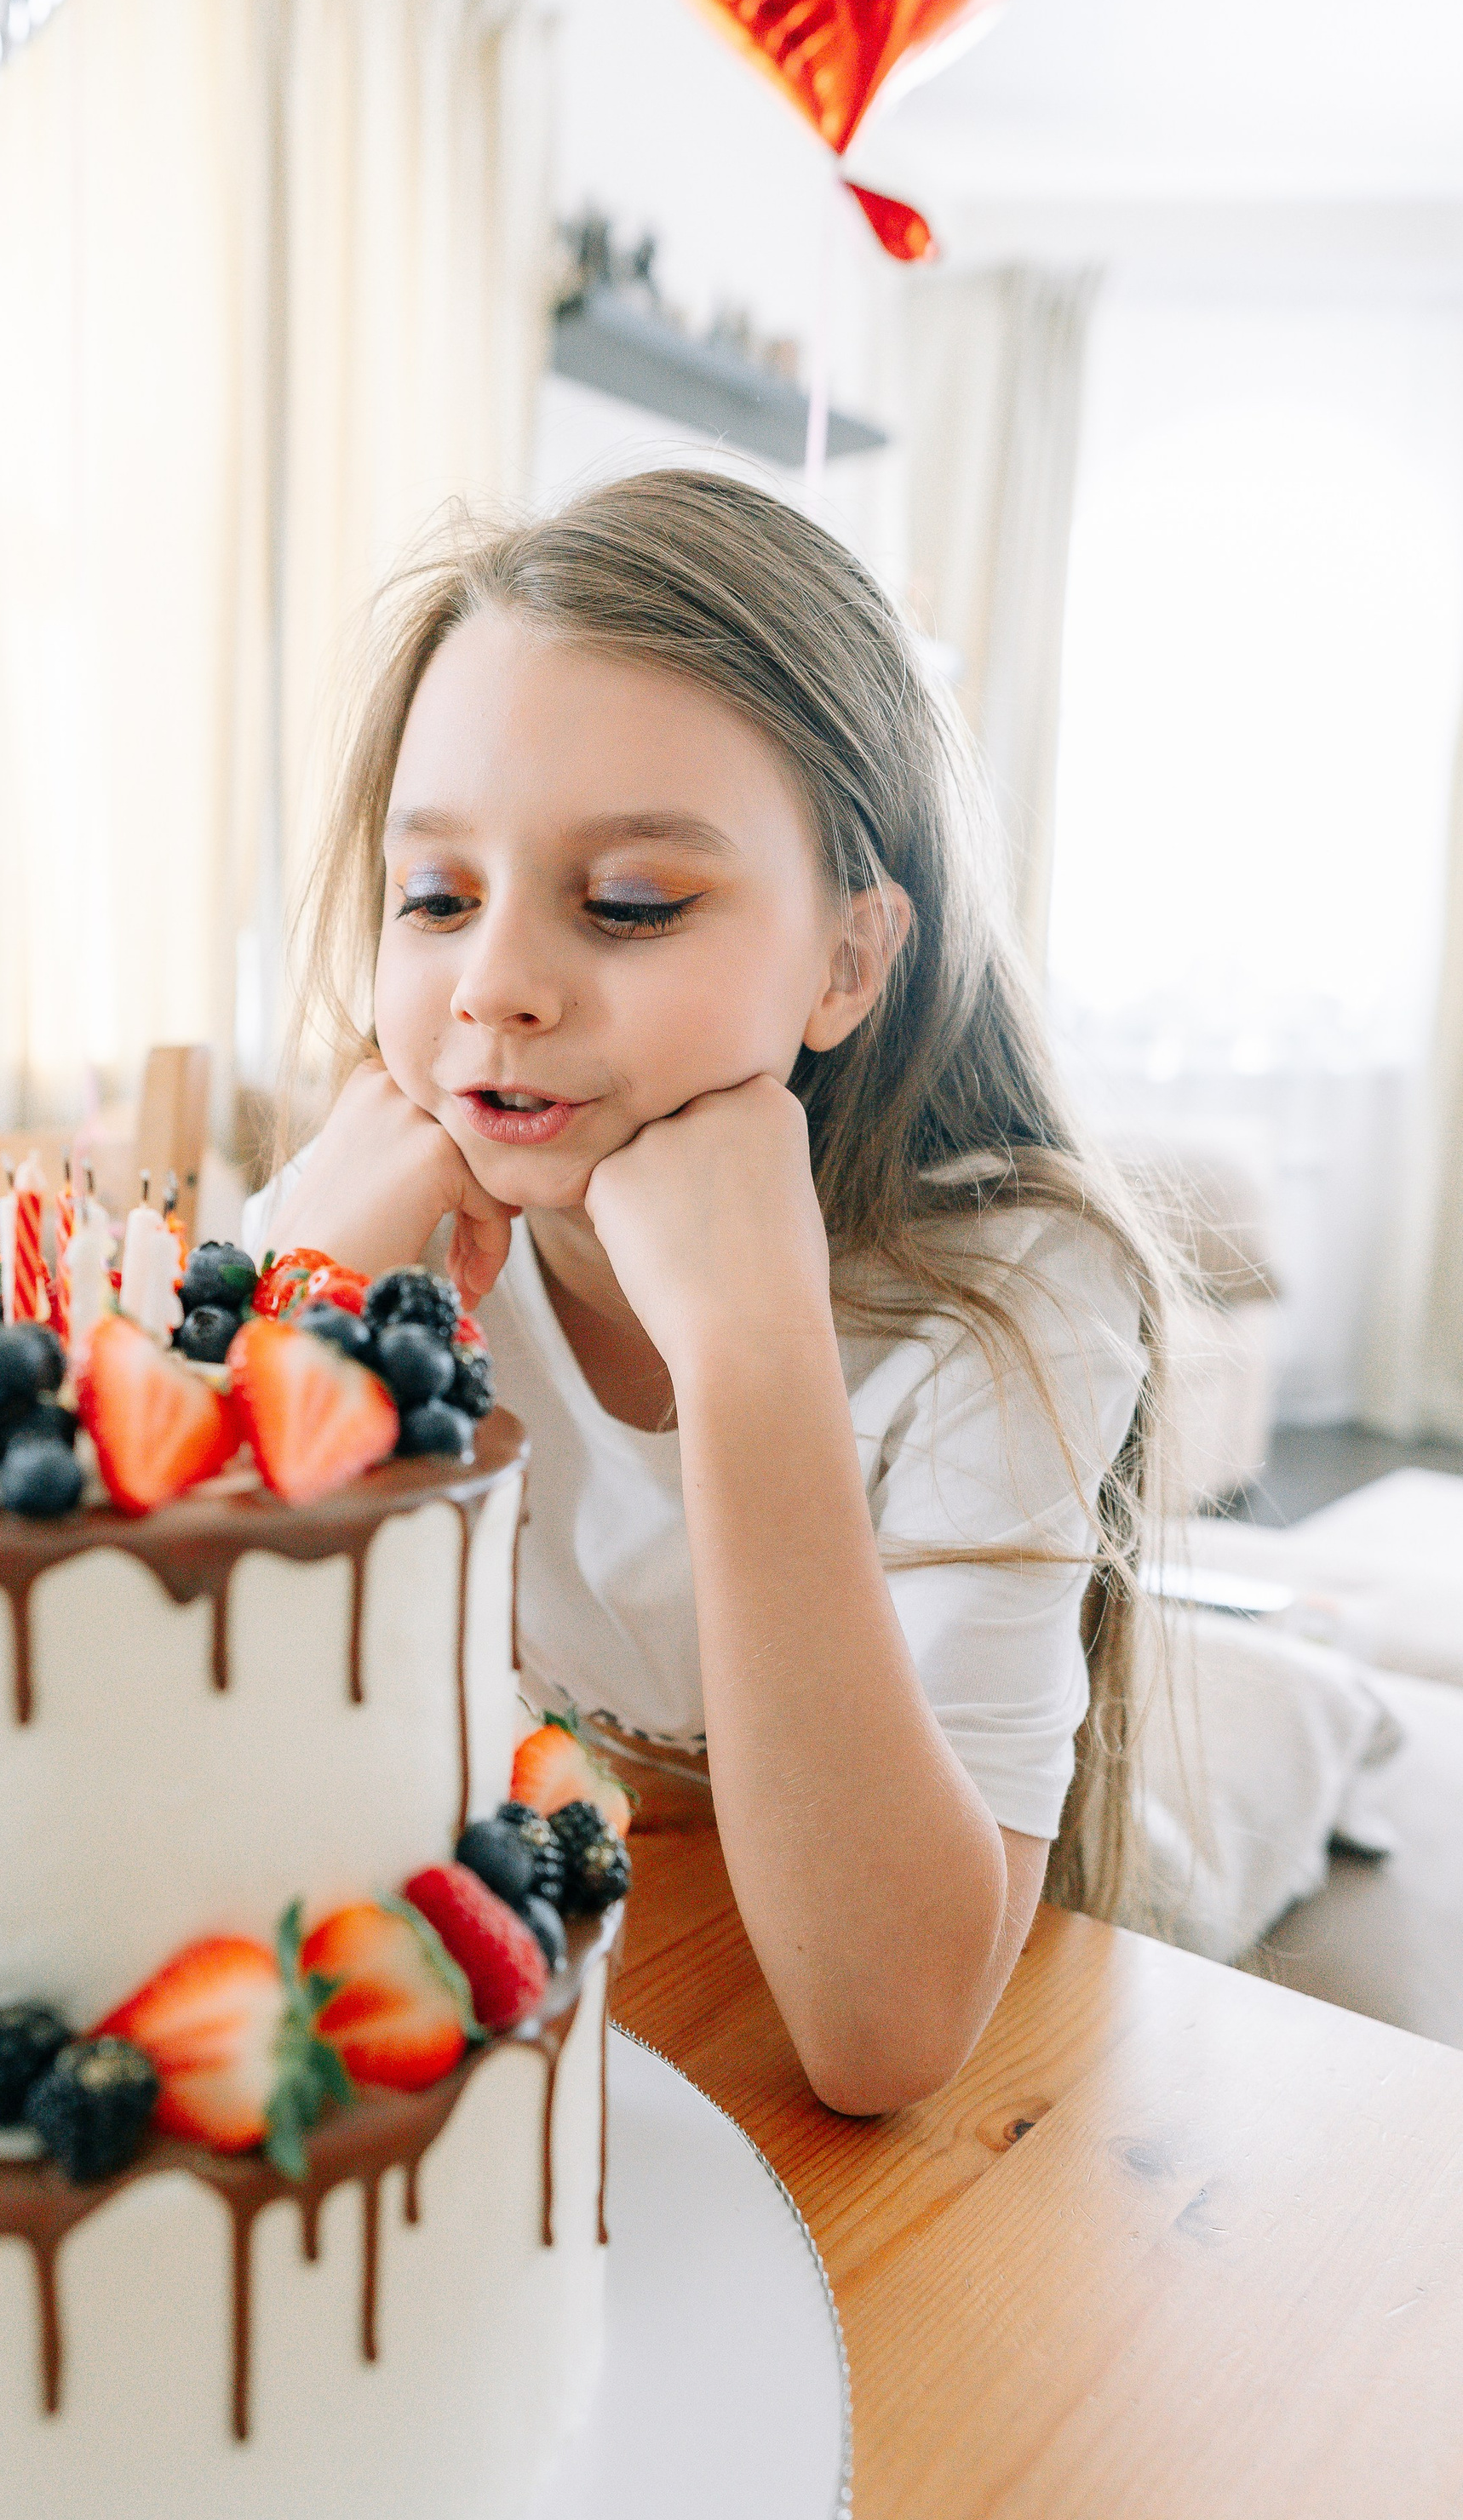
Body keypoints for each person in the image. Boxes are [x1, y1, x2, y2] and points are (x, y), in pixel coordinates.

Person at [245, 469, 1176, 2117]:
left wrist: (752, 1353)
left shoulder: (1014, 1299)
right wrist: (275, 1320)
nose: (495, 988)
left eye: (628, 905)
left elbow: (880, 2036)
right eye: (437, 897)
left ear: (845, 960)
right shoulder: (364, 1216)